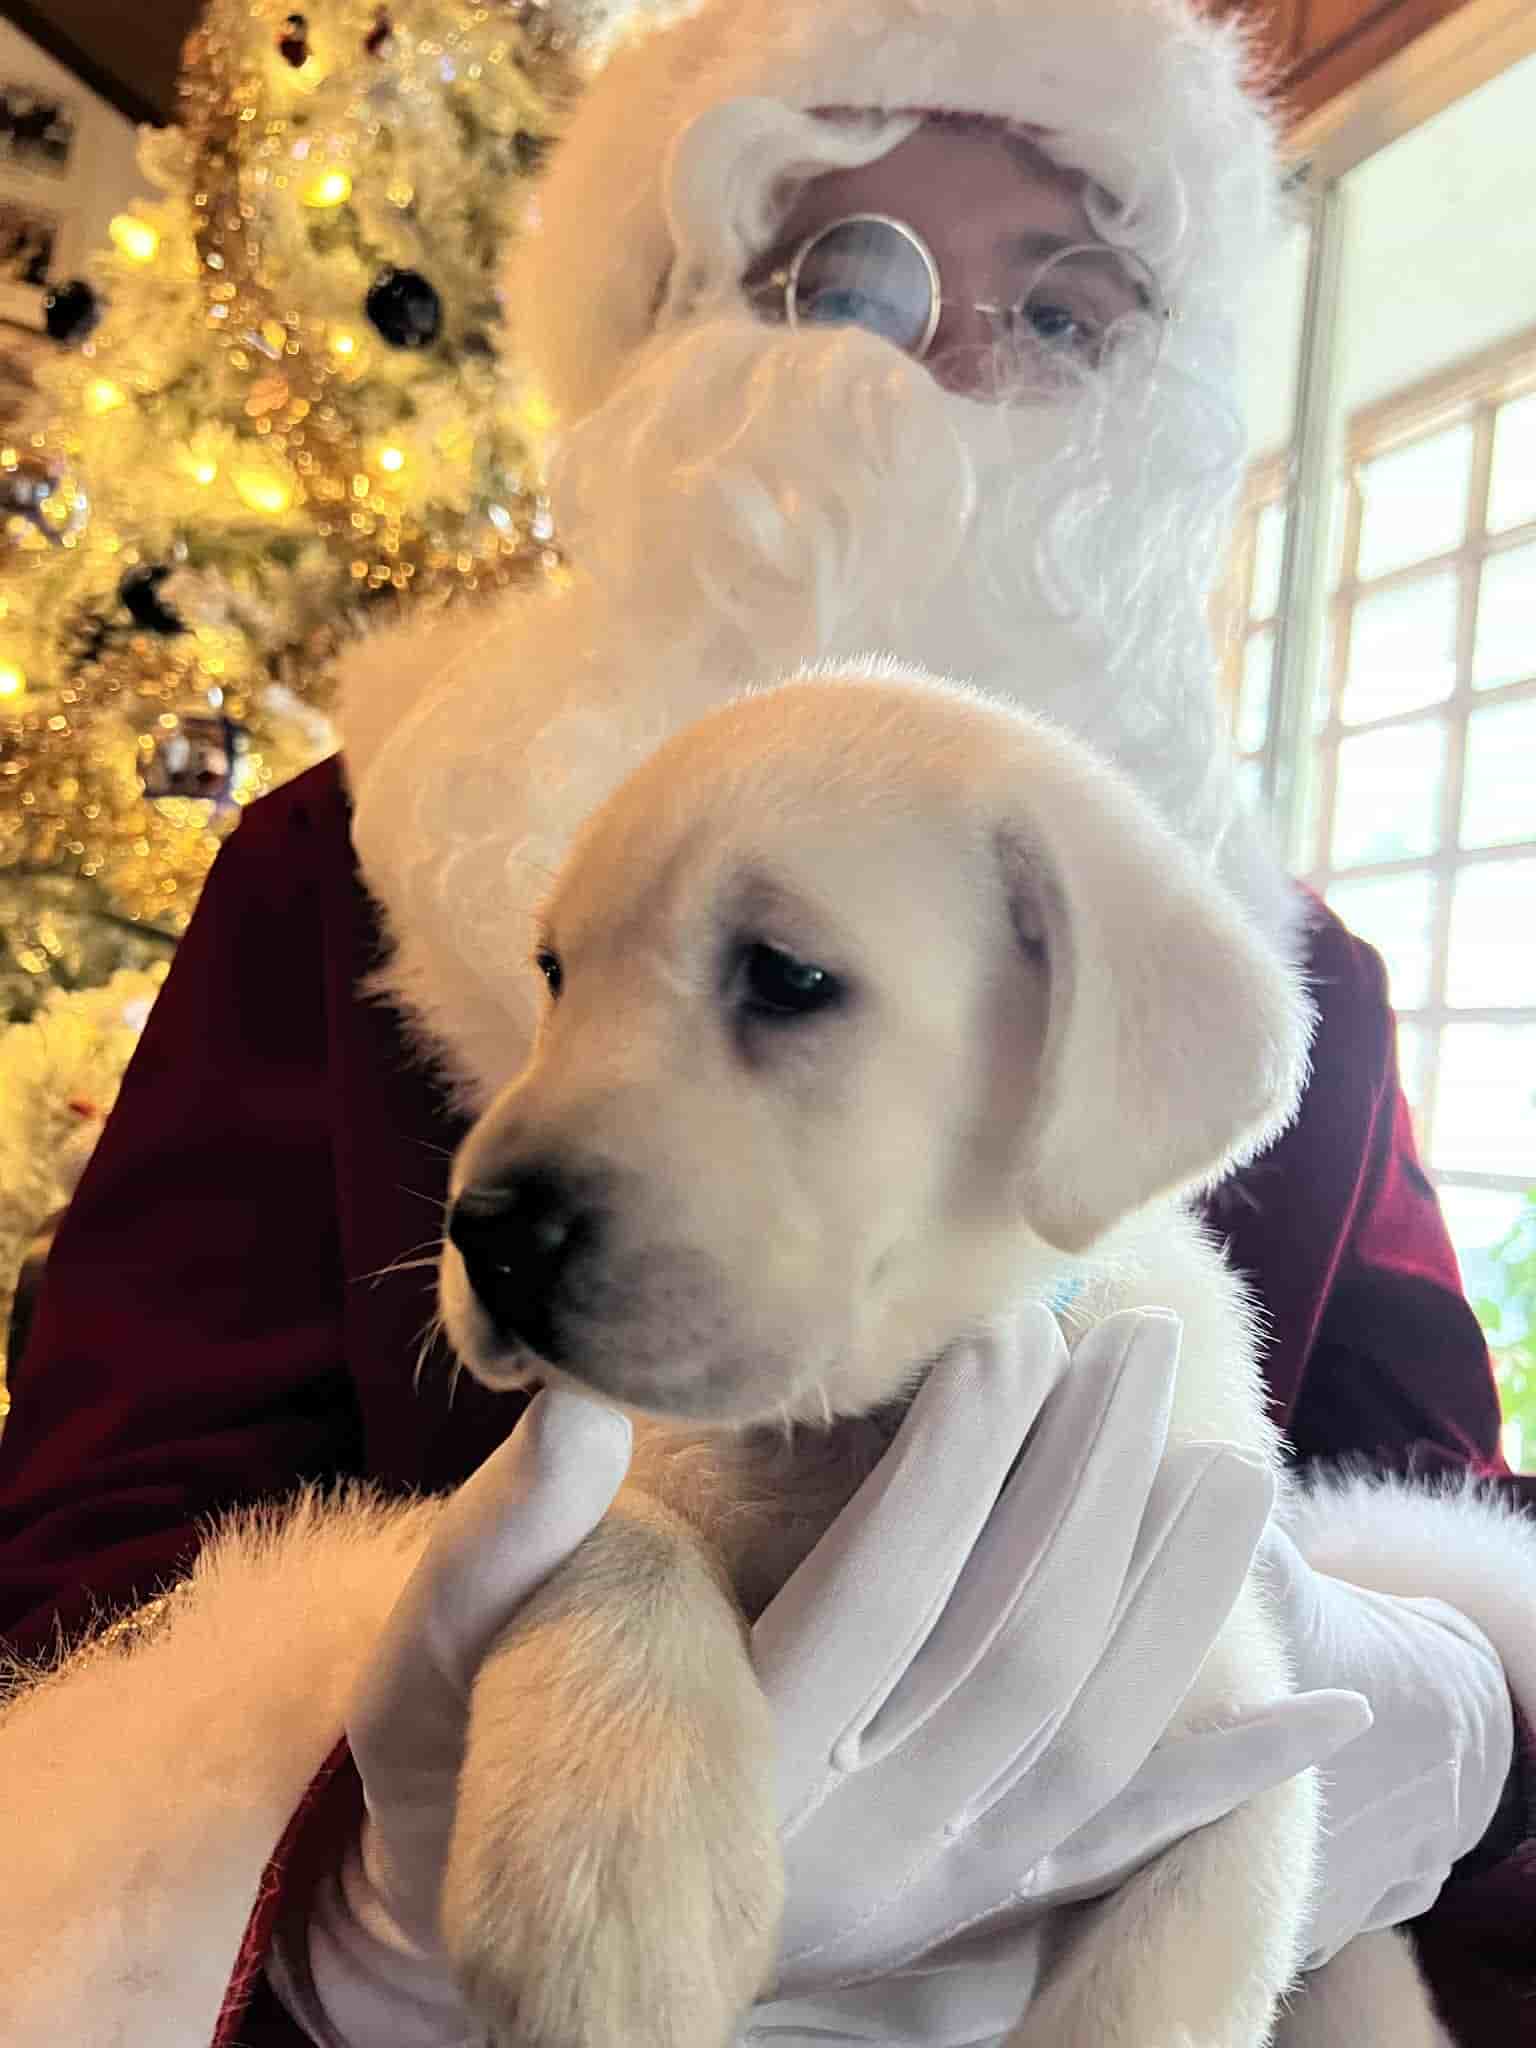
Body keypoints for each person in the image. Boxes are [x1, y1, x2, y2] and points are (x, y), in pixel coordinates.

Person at [2, 0, 1534, 2041]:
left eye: (1061, 310)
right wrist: (341, 1911)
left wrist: (1456, 1709)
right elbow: (102, 1567)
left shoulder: (1287, 972)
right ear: (665, 343)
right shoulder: (345, 863)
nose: (940, 377)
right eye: (844, 279)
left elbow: (1426, 1473)